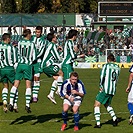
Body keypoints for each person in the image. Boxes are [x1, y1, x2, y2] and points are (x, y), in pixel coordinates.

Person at [9, 29, 37, 113]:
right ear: (28, 34)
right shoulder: (32, 44)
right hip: (27, 65)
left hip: (20, 65)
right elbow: (34, 56)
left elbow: (17, 53)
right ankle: (27, 105)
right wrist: (30, 61)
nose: (31, 35)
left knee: (16, 84)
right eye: (30, 34)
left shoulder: (20, 42)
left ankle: (11, 102)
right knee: (28, 85)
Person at [94, 53, 120, 128]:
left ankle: (98, 123)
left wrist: (100, 85)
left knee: (96, 104)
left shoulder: (106, 66)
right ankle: (115, 119)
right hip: (113, 89)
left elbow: (102, 76)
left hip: (106, 89)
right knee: (106, 104)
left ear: (108, 59)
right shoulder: (118, 67)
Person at [41, 32, 63, 104]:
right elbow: (58, 58)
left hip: (44, 66)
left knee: (57, 79)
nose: (56, 38)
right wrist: (61, 52)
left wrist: (57, 50)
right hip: (47, 65)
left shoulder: (50, 45)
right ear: (53, 39)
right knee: (61, 73)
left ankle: (51, 94)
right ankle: (59, 91)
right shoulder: (53, 45)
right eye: (55, 37)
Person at [0, 33, 17, 113]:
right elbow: (14, 59)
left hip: (1, 69)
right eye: (10, 39)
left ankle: (4, 101)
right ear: (7, 39)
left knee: (5, 86)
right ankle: (13, 103)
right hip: (9, 69)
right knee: (15, 85)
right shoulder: (11, 47)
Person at [31, 26, 45, 103]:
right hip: (31, 62)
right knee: (32, 78)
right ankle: (32, 95)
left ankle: (35, 96)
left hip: (38, 61)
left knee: (37, 78)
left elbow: (41, 51)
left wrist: (35, 57)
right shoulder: (32, 38)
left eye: (39, 32)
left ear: (41, 32)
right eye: (36, 32)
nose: (37, 33)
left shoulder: (43, 40)